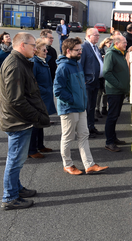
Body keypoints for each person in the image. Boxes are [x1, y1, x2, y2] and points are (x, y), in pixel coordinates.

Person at [0, 33, 50, 210]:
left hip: (18, 119)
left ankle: (16, 188)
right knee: (15, 160)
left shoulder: (20, 62)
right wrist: (36, 117)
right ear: (22, 45)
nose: (35, 49)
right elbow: (16, 100)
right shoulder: (15, 65)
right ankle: (9, 197)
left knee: (17, 160)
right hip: (18, 121)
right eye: (32, 46)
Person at [54, 37, 109, 175]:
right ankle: (68, 164)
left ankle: (89, 164)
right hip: (69, 108)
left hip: (80, 107)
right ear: (68, 51)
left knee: (84, 135)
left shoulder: (77, 64)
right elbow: (58, 90)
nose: (80, 52)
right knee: (68, 137)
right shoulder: (63, 67)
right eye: (77, 50)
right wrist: (73, 100)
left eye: (81, 50)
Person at [28, 39, 57, 159]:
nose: (46, 51)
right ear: (37, 51)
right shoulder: (34, 63)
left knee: (41, 123)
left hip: (44, 97)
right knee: (35, 124)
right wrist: (45, 91)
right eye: (44, 50)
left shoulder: (43, 61)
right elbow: (32, 82)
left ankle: (40, 145)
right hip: (39, 98)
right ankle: (31, 150)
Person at [103, 35, 130, 152]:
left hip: (120, 91)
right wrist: (119, 85)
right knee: (112, 116)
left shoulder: (120, 53)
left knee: (115, 116)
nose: (126, 44)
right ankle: (109, 142)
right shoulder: (111, 54)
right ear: (117, 43)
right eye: (124, 42)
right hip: (114, 91)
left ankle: (113, 138)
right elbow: (107, 73)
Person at [80, 28, 105, 138]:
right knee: (87, 107)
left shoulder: (95, 47)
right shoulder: (84, 47)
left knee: (92, 106)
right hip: (88, 82)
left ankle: (91, 127)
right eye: (96, 35)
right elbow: (80, 65)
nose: (98, 37)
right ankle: (86, 130)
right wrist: (83, 80)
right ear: (89, 36)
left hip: (95, 81)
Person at [96, 37, 113, 117]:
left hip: (108, 75)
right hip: (101, 75)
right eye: (109, 43)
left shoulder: (112, 51)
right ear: (105, 43)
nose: (110, 44)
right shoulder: (100, 50)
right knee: (99, 93)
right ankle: (97, 109)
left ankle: (104, 108)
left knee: (106, 92)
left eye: (111, 43)